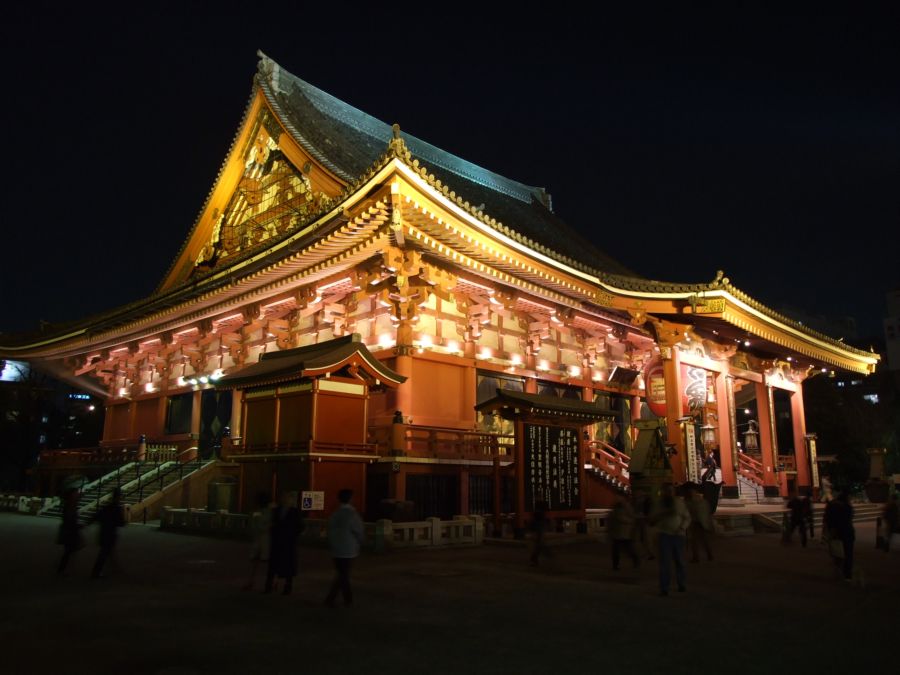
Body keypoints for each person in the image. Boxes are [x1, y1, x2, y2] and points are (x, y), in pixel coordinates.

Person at [325, 488, 364, 608]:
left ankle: (341, 598)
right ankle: (343, 598)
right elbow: (359, 531)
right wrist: (360, 542)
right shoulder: (352, 514)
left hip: (336, 549)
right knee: (343, 574)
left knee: (342, 573)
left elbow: (329, 530)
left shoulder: (335, 514)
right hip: (348, 549)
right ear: (350, 499)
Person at [651, 484, 691, 596]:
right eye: (666, 491)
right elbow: (652, 519)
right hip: (664, 534)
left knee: (680, 561)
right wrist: (663, 514)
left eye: (670, 491)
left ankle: (681, 583)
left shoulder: (679, 503)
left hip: (678, 534)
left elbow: (687, 517)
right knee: (665, 562)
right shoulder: (659, 504)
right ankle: (664, 587)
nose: (668, 493)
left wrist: (682, 528)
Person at [265, 491, 303, 595]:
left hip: (288, 542)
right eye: (284, 498)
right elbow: (271, 523)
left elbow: (300, 526)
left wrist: (292, 535)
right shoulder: (276, 511)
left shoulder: (295, 512)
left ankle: (287, 587)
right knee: (273, 565)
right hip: (277, 541)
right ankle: (268, 586)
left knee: (288, 566)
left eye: (288, 498)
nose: (286, 500)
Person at [91, 488, 126, 578]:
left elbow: (96, 516)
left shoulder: (107, 507)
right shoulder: (117, 508)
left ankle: (113, 568)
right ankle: (97, 571)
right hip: (110, 534)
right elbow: (121, 523)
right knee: (105, 553)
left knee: (107, 552)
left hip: (104, 532)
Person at [823, 490, 855, 581]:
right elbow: (850, 517)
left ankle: (838, 568)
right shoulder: (847, 507)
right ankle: (847, 574)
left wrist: (827, 531)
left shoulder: (832, 505)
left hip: (836, 533)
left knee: (837, 551)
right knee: (848, 553)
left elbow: (827, 519)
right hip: (847, 532)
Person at [244, 492, 272, 590]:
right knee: (268, 562)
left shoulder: (255, 512)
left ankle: (251, 581)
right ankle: (272, 582)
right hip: (266, 540)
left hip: (258, 540)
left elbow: (252, 525)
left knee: (255, 563)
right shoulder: (270, 512)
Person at [56, 488, 84, 575]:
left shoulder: (72, 505)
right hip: (69, 531)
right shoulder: (69, 506)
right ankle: (62, 569)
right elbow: (69, 519)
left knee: (70, 550)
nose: (77, 495)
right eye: (75, 493)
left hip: (71, 530)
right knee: (69, 551)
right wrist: (77, 526)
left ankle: (64, 568)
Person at [608, 498, 640, 571]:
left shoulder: (618, 511)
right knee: (622, 550)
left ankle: (616, 565)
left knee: (623, 550)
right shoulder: (620, 511)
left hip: (622, 534)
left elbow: (614, 521)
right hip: (621, 534)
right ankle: (634, 560)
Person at [685, 483, 714, 562]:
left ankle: (698, 556)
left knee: (697, 540)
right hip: (700, 522)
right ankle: (706, 555)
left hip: (697, 522)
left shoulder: (692, 502)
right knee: (702, 540)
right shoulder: (702, 501)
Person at [529, 500, 553, 566]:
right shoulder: (541, 514)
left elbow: (532, 521)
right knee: (540, 544)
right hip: (539, 528)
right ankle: (535, 558)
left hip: (537, 528)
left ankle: (534, 559)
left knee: (539, 544)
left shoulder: (535, 513)